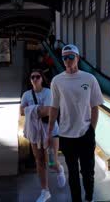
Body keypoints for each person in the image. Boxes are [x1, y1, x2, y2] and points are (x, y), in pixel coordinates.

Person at [47, 44, 104, 202]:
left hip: (85, 133)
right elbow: (54, 108)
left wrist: (91, 129)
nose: (67, 60)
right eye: (65, 57)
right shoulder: (57, 81)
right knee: (72, 172)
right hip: (66, 135)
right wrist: (50, 132)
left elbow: (95, 106)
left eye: (71, 57)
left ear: (77, 58)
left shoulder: (89, 79)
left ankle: (89, 197)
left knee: (88, 172)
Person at [20, 69, 66, 202]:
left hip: (51, 131)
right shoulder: (26, 95)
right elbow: (22, 111)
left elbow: (48, 111)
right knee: (39, 161)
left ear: (42, 78)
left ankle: (59, 169)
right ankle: (45, 191)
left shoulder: (48, 92)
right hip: (35, 133)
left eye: (37, 77)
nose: (34, 79)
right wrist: (37, 109)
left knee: (51, 162)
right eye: (32, 77)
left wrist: (31, 109)